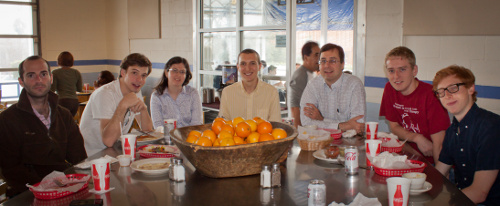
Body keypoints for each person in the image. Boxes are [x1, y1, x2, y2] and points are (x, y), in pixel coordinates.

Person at [0, 56, 87, 197]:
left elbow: (79, 158)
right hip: (27, 194)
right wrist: (46, 187)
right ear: (21, 81)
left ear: (51, 78)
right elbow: (10, 170)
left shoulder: (64, 115)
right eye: (31, 75)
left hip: (64, 189)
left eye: (43, 74)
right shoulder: (8, 119)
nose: (39, 80)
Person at [433, 65, 500, 205]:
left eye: (453, 88)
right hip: (463, 198)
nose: (447, 96)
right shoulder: (452, 131)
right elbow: (439, 173)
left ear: (471, 88)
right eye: (441, 92)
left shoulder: (491, 126)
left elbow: (479, 193)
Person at [379, 46, 449, 164]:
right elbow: (394, 127)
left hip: (434, 161)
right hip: (408, 156)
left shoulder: (431, 95)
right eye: (391, 70)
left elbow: (439, 144)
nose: (396, 76)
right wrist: (417, 138)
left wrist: (440, 177)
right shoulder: (389, 89)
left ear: (414, 70)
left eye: (402, 69)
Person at [80, 53, 154, 156]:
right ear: (123, 73)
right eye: (134, 73)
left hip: (114, 152)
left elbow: (148, 131)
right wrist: (122, 106)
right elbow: (108, 141)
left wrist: (143, 110)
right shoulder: (105, 94)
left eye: (143, 75)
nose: (139, 80)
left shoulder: (135, 89)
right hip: (92, 157)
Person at [300, 43, 366, 133]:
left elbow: (358, 125)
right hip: (319, 142)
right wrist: (342, 126)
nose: (327, 65)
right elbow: (306, 123)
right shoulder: (313, 85)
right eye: (323, 61)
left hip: (349, 142)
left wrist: (323, 120)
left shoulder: (354, 85)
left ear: (342, 64)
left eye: (332, 61)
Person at [219, 49, 281, 122]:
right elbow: (222, 125)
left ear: (260, 66)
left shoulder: (271, 92)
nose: (248, 68)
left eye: (252, 63)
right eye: (243, 64)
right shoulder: (227, 92)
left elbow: (275, 125)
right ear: (238, 67)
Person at [150, 56, 203, 128]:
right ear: (166, 73)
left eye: (182, 72)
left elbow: (196, 124)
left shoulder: (192, 93)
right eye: (174, 70)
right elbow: (158, 126)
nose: (178, 75)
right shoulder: (157, 96)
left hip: (189, 137)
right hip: (166, 138)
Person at [289, 41, 320, 127]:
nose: (319, 58)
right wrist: (299, 127)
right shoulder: (301, 75)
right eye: (316, 55)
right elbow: (295, 103)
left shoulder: (311, 73)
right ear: (306, 58)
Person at [50, 51, 83, 116]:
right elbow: (79, 89)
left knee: (61, 123)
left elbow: (52, 90)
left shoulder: (55, 73)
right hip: (74, 102)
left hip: (61, 101)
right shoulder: (76, 72)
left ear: (59, 61)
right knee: (70, 123)